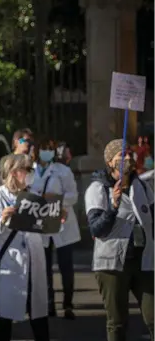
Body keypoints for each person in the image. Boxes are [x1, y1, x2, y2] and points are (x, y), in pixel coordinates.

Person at [84, 139, 154, 341]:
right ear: (109, 161)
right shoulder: (98, 189)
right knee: (118, 322)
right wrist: (113, 207)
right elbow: (97, 229)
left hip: (144, 261)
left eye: (129, 153)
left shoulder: (142, 186)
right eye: (121, 155)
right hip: (112, 265)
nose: (127, 158)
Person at [0, 153, 50, 341]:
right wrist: (1, 220)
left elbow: (46, 229)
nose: (30, 173)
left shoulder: (34, 197)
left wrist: (57, 219)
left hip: (34, 263)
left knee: (39, 316)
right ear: (14, 172)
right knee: (5, 317)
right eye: (27, 169)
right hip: (9, 265)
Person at [30, 138, 79, 319]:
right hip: (41, 222)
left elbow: (73, 195)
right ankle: (49, 304)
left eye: (50, 149)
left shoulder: (62, 171)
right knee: (45, 267)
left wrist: (57, 200)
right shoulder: (30, 171)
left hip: (61, 221)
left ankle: (68, 304)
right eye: (44, 148)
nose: (47, 152)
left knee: (66, 265)